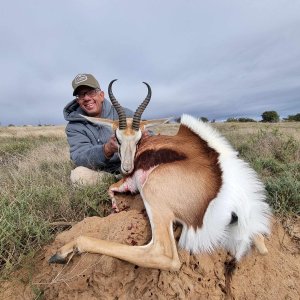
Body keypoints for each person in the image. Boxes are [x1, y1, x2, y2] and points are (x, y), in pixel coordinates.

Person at [63, 73, 134, 185]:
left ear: (101, 95)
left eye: (91, 92)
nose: (86, 98)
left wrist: (143, 139)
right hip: (102, 173)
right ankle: (117, 182)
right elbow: (79, 158)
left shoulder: (125, 114)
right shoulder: (74, 126)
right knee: (78, 175)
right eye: (81, 95)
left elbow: (149, 135)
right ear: (78, 101)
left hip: (132, 167)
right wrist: (107, 149)